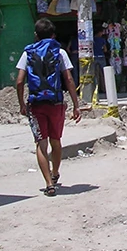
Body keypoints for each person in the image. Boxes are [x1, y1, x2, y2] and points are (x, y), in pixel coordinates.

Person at [16, 18, 82, 198]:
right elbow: (68, 79)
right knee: (56, 140)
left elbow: (20, 81)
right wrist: (76, 105)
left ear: (36, 35)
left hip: (36, 104)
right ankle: (55, 173)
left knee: (41, 143)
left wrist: (22, 103)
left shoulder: (27, 53)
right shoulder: (60, 52)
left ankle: (48, 184)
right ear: (53, 35)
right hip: (56, 103)